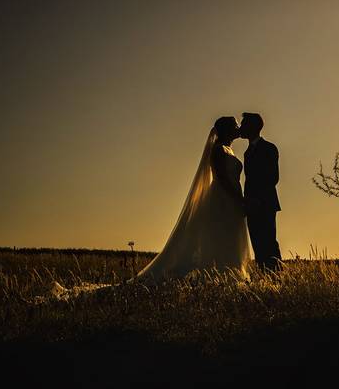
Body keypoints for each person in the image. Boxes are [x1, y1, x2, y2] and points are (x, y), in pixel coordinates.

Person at [45, 116, 250, 302]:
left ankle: (227, 278)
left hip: (229, 201)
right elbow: (222, 179)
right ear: (225, 130)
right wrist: (238, 199)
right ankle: (217, 277)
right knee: (220, 238)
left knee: (228, 238)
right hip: (222, 200)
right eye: (234, 125)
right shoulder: (217, 150)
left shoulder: (228, 149)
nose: (238, 128)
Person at [239, 112, 283, 273]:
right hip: (251, 204)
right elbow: (249, 181)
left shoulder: (269, 148)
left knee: (269, 242)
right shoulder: (247, 152)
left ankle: (276, 276)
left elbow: (272, 177)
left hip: (265, 203)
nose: (241, 128)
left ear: (252, 127)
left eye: (244, 125)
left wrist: (257, 199)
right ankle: (264, 275)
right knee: (257, 242)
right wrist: (247, 201)